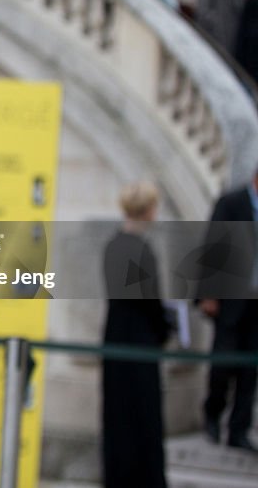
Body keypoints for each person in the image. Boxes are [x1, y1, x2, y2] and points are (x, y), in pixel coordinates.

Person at [101, 181, 170, 487]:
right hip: (139, 336)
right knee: (143, 414)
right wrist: (165, 327)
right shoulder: (142, 250)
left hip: (116, 333)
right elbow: (150, 300)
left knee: (118, 413)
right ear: (146, 210)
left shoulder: (113, 245)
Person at [197, 167, 258, 453]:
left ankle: (239, 429)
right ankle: (212, 414)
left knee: (250, 370)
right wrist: (209, 293)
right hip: (231, 300)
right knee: (223, 363)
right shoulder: (232, 203)